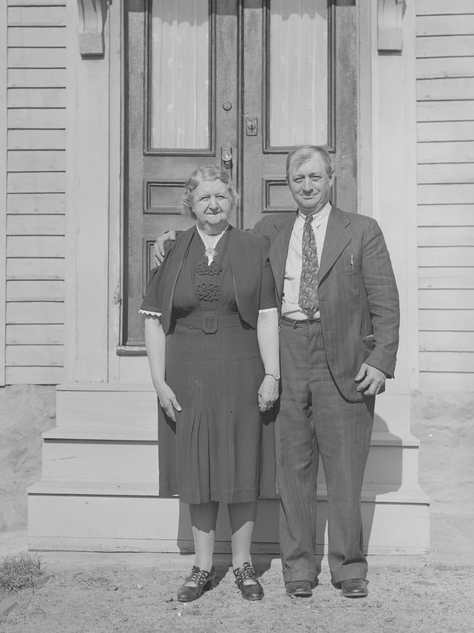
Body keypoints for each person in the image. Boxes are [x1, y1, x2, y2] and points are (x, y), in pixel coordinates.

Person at [154, 146, 400, 599]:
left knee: (345, 466)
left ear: (330, 178)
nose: (306, 186)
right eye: (298, 180)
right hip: (286, 350)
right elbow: (219, 235)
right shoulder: (269, 230)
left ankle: (349, 569)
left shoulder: (362, 230)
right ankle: (298, 570)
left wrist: (381, 358)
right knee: (292, 466)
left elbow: (385, 299)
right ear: (289, 185)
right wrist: (175, 236)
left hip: (343, 355)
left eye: (314, 177)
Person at [141, 165, 280, 603]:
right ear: (190, 203)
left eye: (221, 195)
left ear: (232, 199)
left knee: (241, 463)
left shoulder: (254, 246)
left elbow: (267, 316)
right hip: (188, 372)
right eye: (204, 198)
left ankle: (243, 566)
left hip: (242, 368)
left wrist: (272, 374)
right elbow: (152, 321)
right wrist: (159, 381)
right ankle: (202, 568)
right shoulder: (172, 249)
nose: (213, 204)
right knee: (198, 469)